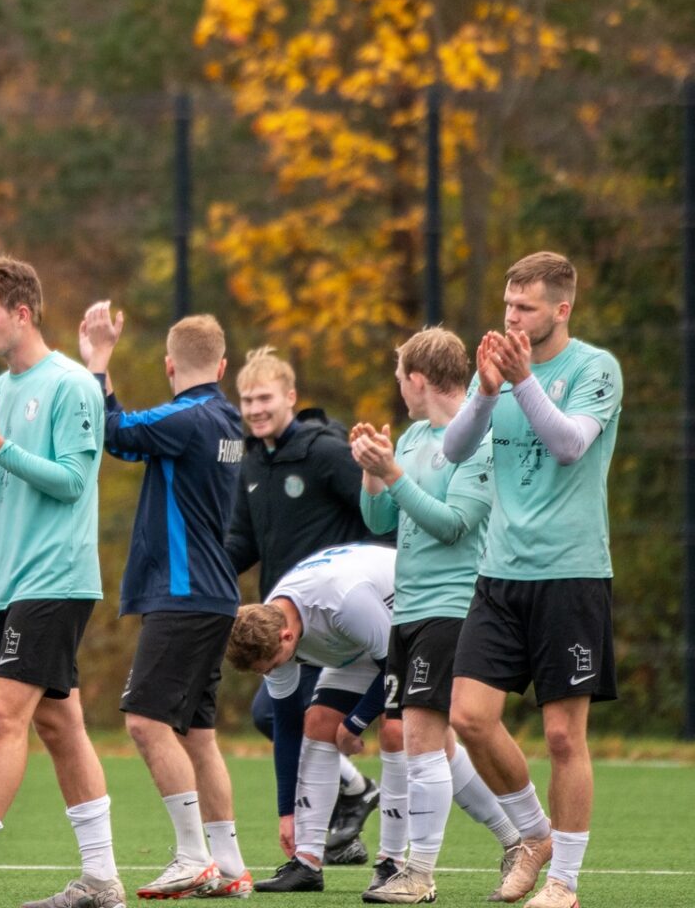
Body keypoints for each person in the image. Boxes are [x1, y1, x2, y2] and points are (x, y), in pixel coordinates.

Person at [443, 253, 623, 908]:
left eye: (526, 308)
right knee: (468, 716)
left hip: (571, 575)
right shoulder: (500, 373)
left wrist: (520, 384)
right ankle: (533, 833)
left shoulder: (594, 368)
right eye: (508, 306)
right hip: (500, 572)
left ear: (561, 310)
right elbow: (455, 449)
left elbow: (570, 444)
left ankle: (565, 883)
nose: (513, 318)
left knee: (561, 736)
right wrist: (488, 390)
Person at [0, 257, 117, 908]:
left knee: (1, 715)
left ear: (22, 314)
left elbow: (75, 482)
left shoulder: (72, 386)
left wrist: (0, 450)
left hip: (55, 578)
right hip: (6, 583)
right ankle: (102, 881)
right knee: (61, 728)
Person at [79, 304, 252, 899]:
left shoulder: (187, 416)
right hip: (213, 594)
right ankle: (228, 865)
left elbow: (117, 433)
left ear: (169, 364)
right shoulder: (228, 419)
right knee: (197, 733)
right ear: (224, 365)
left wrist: (99, 360)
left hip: (183, 596)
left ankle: (191, 855)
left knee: (146, 721)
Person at [352, 327, 522, 903]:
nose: (398, 388)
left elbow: (453, 525)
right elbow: (379, 519)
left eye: (400, 377)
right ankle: (517, 837)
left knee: (422, 740)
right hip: (409, 610)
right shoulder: (413, 434)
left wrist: (395, 477)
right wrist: (374, 468)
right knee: (426, 742)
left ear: (418, 379)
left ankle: (418, 873)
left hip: (453, 607)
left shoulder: (475, 440)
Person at [223, 346, 381, 863]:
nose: (255, 408)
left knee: (289, 716)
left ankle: (354, 804)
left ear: (290, 397)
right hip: (284, 619)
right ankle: (349, 803)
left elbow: (374, 509)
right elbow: (241, 544)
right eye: (246, 400)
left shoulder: (323, 450)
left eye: (265, 397)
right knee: (278, 716)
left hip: (338, 614)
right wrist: (201, 576)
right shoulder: (252, 462)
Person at [226, 543, 400, 895]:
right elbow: (287, 727)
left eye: (273, 665)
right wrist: (286, 813)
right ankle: (306, 864)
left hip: (408, 623)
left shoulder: (343, 603)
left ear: (287, 637)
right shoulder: (271, 623)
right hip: (356, 643)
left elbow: (396, 669)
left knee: (403, 733)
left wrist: (354, 724)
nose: (273, 672)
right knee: (317, 725)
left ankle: (392, 865)